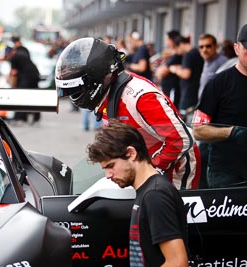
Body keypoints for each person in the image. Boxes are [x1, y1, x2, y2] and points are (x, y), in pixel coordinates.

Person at [55, 37, 200, 189]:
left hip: (177, 169)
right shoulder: (108, 94)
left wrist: (148, 170)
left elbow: (180, 140)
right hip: (145, 164)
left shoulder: (140, 97)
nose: (74, 97)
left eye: (77, 91)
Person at [86, 119, 189, 266]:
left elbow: (178, 262)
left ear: (131, 153)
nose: (107, 175)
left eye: (111, 166)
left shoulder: (155, 195)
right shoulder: (148, 192)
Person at [192, 24, 247, 188]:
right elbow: (198, 130)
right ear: (236, 49)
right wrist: (232, 132)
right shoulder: (218, 83)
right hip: (227, 173)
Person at [194, 33, 228, 189]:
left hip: (214, 124)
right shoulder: (206, 63)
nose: (205, 50)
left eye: (208, 46)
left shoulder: (223, 64)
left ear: (215, 47)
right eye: (201, 47)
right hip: (203, 118)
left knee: (203, 158)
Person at [169, 36, 204, 123]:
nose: (177, 52)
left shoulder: (188, 55)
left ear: (181, 44)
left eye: (176, 48)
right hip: (196, 91)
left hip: (188, 93)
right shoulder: (197, 52)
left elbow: (186, 74)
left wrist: (175, 70)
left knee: (184, 119)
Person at [9, 37, 41, 125]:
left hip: (27, 77)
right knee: (34, 96)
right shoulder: (24, 51)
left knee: (21, 96)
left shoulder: (14, 57)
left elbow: (14, 74)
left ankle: (20, 118)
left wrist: (13, 87)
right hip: (35, 74)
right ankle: (36, 118)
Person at [154, 30, 182, 109]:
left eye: (167, 39)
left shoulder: (176, 56)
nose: (166, 42)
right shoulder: (170, 54)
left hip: (172, 89)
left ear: (172, 40)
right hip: (168, 89)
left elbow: (161, 73)